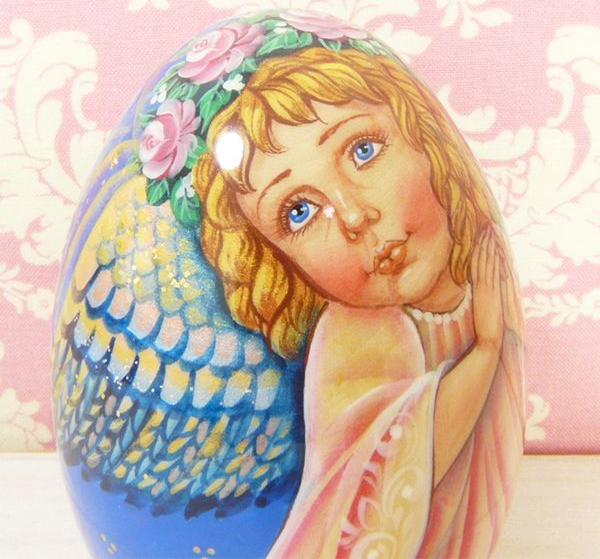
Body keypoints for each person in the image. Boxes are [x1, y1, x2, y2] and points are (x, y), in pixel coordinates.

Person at [193, 46, 525, 558]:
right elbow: (394, 476)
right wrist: (485, 349)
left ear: (422, 136)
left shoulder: (477, 265)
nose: (352, 216)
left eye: (363, 150)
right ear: (283, 266)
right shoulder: (361, 334)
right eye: (300, 211)